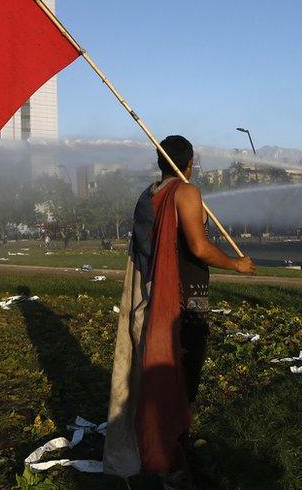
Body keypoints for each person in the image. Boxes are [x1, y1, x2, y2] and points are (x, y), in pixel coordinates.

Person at [103, 135, 255, 482]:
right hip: (183, 297)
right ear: (190, 162)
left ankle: (161, 445)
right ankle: (170, 455)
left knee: (161, 370)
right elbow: (199, 248)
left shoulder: (148, 195)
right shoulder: (186, 192)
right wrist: (237, 264)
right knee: (182, 376)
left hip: (155, 294)